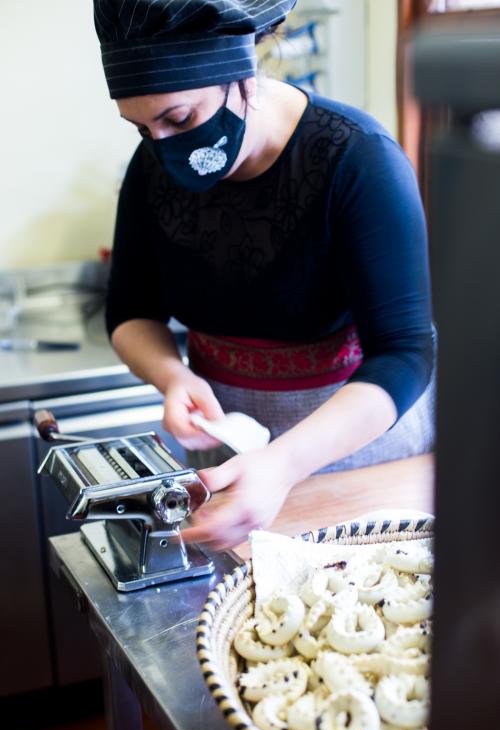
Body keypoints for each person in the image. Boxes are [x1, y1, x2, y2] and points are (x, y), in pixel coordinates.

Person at [94, 0, 435, 550]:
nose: (163, 147)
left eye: (179, 119)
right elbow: (131, 311)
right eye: (141, 128)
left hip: (355, 451)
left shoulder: (357, 160)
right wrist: (171, 375)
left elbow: (406, 353)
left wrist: (282, 464)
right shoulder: (151, 168)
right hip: (223, 448)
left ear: (245, 77)